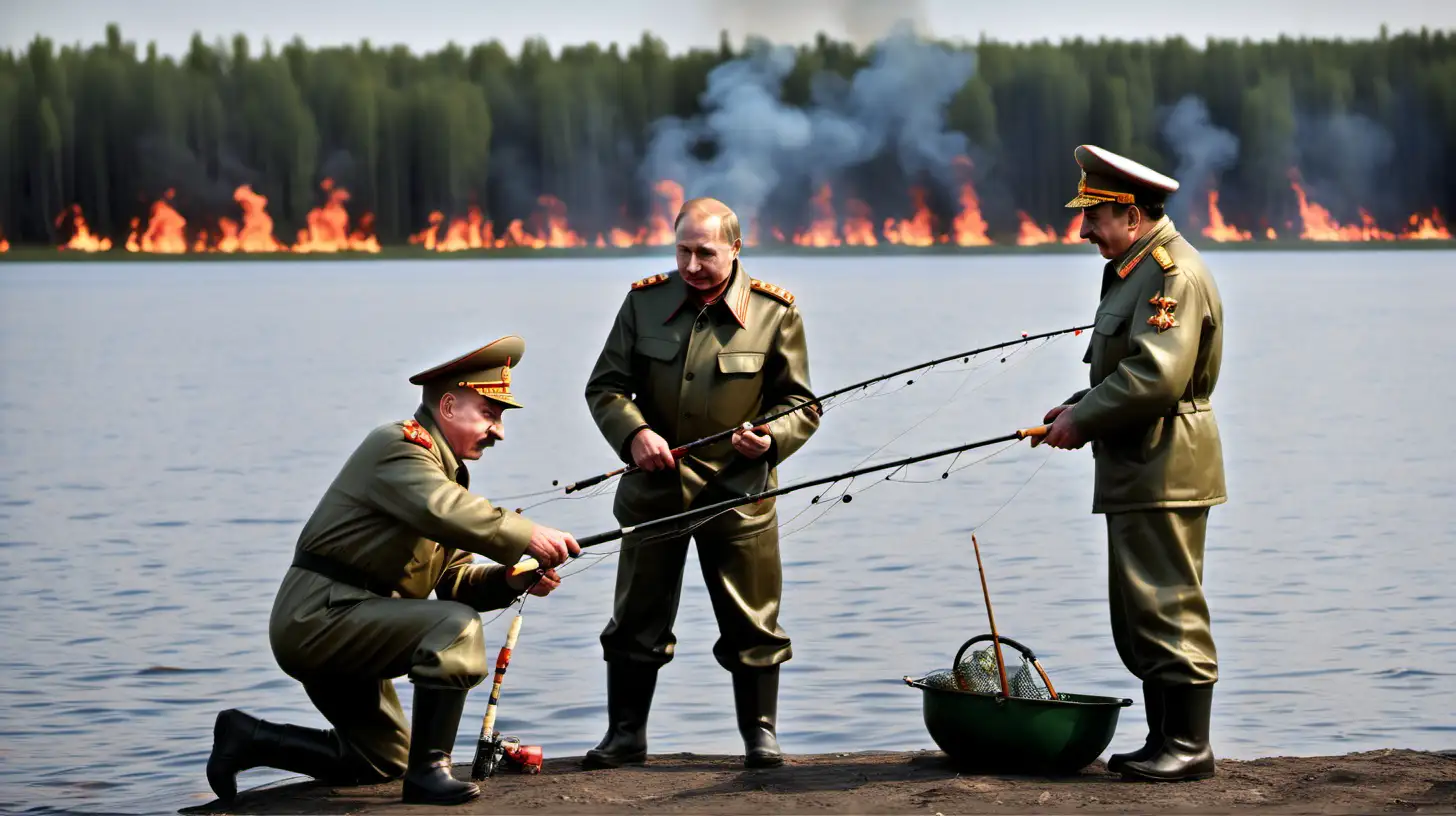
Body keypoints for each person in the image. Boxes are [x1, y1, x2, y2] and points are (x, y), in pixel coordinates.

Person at [205, 335, 581, 806]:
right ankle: (430, 775)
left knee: (381, 759)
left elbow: (454, 581)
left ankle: (249, 737)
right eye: (490, 413)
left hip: (357, 620)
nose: (499, 431)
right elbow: (444, 510)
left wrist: (511, 579)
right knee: (455, 629)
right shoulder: (399, 448)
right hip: (318, 618)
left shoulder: (446, 478)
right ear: (448, 405)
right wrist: (526, 534)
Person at [581, 197, 821, 770]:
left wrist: (770, 438)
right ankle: (624, 735)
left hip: (740, 493)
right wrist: (635, 435)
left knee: (753, 619)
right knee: (636, 618)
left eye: (704, 253)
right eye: (683, 250)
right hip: (653, 490)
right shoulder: (643, 303)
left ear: (734, 248)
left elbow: (802, 404)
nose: (691, 264)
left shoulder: (774, 312)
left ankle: (760, 735)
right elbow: (606, 387)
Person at [1039, 144, 1226, 782]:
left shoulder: (1170, 272)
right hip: (1140, 464)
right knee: (1141, 610)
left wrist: (1084, 421)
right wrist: (1077, 405)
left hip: (1166, 463)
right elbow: (1127, 369)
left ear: (1132, 213)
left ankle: (1190, 747)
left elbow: (1156, 376)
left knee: (1168, 603)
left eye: (1093, 216)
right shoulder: (1135, 268)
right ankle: (1162, 739)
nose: (1084, 230)